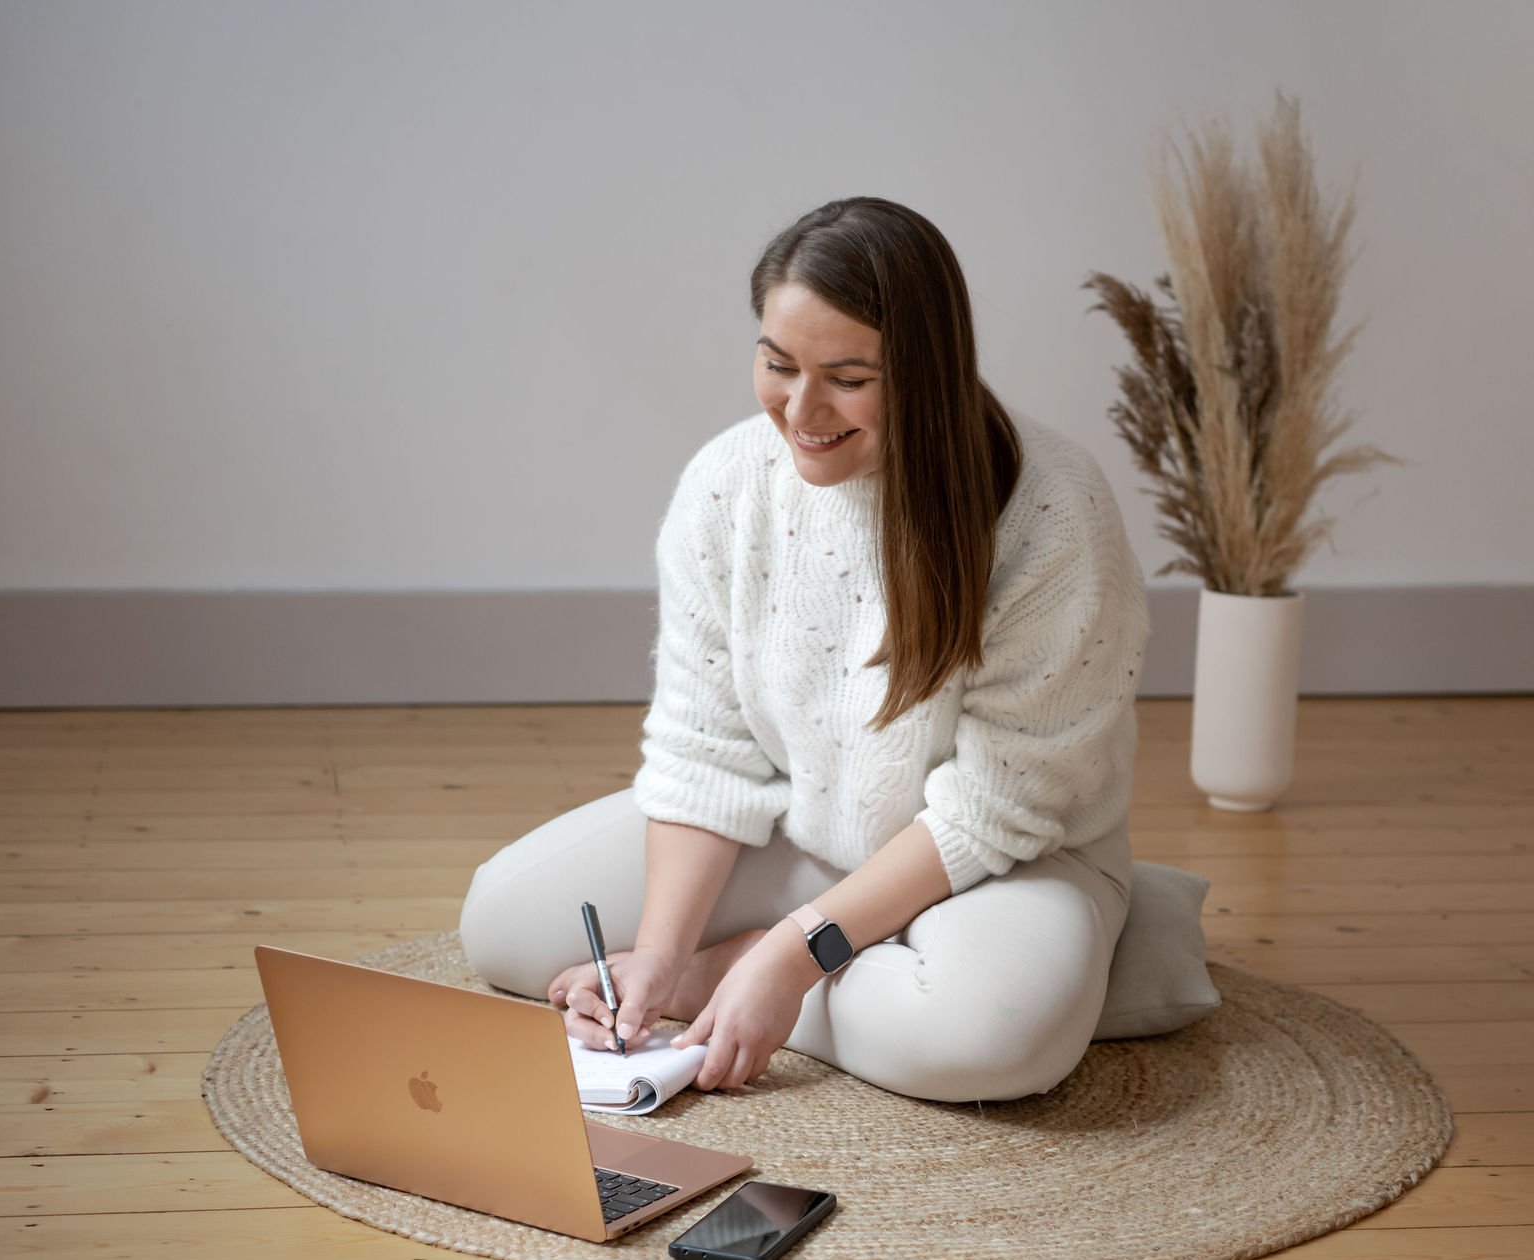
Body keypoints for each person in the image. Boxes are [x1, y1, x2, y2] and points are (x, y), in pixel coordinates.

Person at [458, 196, 1148, 1103]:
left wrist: (783, 957)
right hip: (806, 828)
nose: (801, 407)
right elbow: (705, 752)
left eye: (847, 377)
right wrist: (660, 961)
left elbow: (997, 811)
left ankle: (773, 971)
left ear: (926, 374)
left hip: (1001, 860)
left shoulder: (1051, 511)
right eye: (777, 363)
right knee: (502, 926)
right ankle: (815, 964)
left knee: (992, 1037)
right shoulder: (727, 484)